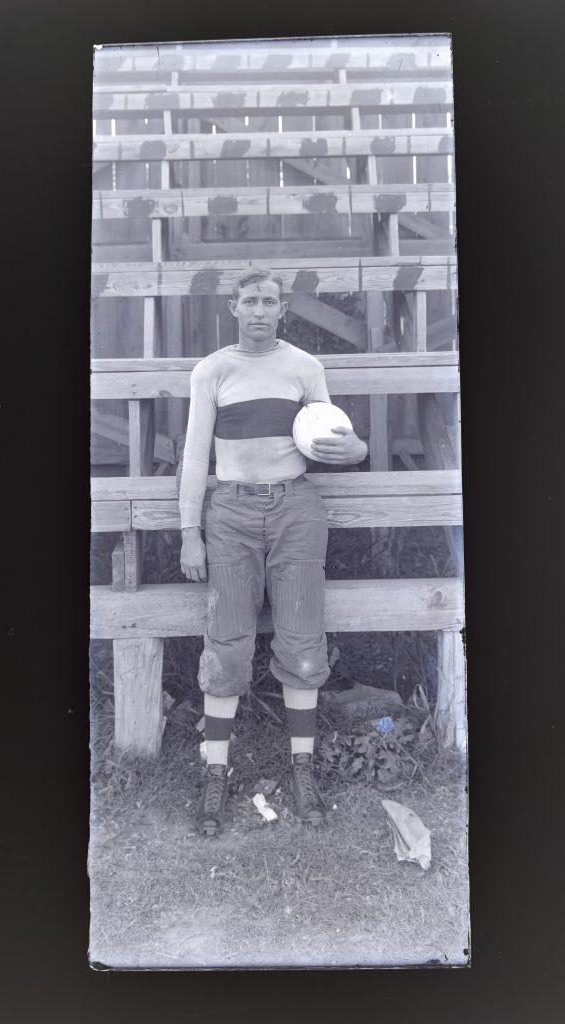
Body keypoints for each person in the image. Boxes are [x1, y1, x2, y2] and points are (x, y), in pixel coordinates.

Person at [179, 268, 368, 836]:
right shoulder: (212, 370)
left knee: (303, 638)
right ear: (233, 307)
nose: (259, 310)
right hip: (231, 513)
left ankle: (303, 767)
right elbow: (194, 457)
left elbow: (331, 439)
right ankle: (215, 773)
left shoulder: (305, 368)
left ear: (282, 308)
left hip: (295, 511)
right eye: (249, 301)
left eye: (269, 301)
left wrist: (357, 448)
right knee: (228, 640)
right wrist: (191, 530)